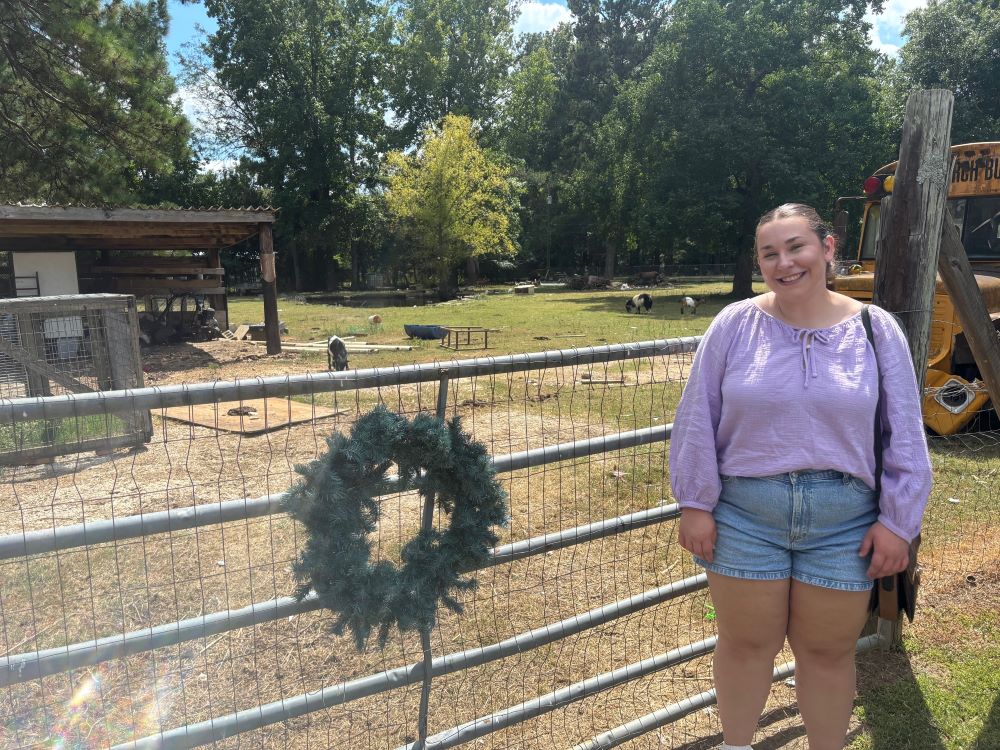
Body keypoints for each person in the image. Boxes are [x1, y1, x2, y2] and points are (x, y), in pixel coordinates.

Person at [669, 203, 932, 750]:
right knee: (744, 645)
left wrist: (898, 522)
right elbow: (698, 417)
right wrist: (695, 502)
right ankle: (738, 744)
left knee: (827, 654)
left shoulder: (875, 329)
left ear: (828, 248)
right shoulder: (734, 325)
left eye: (796, 247)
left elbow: (904, 432)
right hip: (745, 514)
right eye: (770, 253)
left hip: (846, 523)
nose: (784, 263)